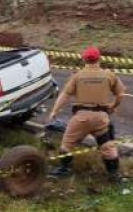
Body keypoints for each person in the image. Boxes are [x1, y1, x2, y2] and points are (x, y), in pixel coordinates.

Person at [48, 46, 126, 183]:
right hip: (101, 118)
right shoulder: (109, 75)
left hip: (81, 118)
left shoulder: (77, 76)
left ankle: (64, 169)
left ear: (84, 59)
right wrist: (113, 107)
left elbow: (65, 95)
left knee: (67, 144)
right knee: (108, 147)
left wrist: (54, 111)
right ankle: (114, 175)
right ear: (99, 59)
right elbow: (120, 94)